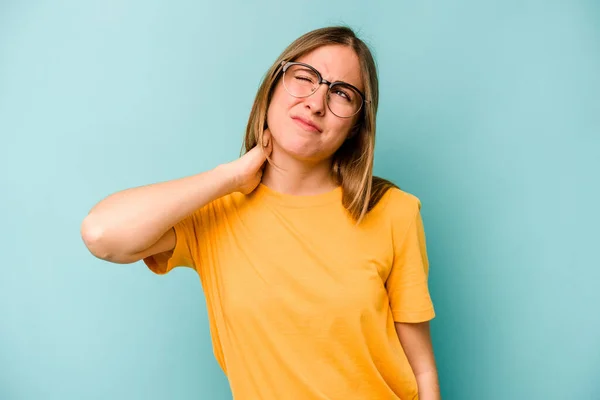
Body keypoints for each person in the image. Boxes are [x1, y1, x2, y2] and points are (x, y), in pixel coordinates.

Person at [81, 26, 440, 400]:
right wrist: (230, 176)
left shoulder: (393, 211)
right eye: (305, 78)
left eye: (341, 94)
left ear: (355, 127)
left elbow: (422, 369)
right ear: (272, 88)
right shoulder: (214, 214)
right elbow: (102, 233)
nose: (316, 103)